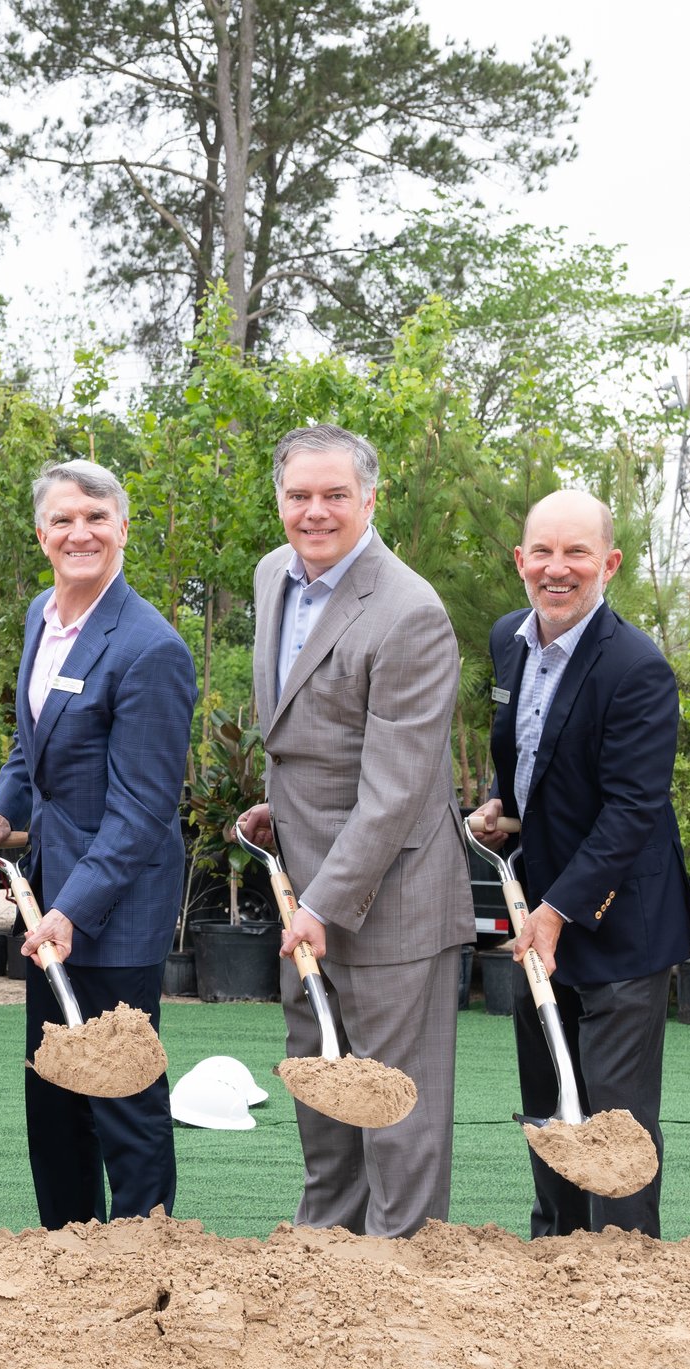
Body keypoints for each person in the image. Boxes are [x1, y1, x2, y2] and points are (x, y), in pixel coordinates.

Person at [239, 423, 470, 1239]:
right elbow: (309, 732)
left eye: (335, 495)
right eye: (299, 495)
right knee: (322, 1089)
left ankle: (397, 1276)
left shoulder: (409, 612)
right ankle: (324, 1251)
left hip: (390, 898)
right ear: (280, 499)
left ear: (370, 499)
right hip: (306, 882)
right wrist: (283, 809)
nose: (316, 512)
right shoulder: (275, 576)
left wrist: (323, 904)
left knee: (393, 1107)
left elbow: (395, 789)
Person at [0, 461, 196, 1229]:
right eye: (63, 519)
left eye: (96, 516)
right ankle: (65, 1251)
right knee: (56, 1088)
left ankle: (142, 1256)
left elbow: (142, 810)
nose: (80, 532)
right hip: (51, 894)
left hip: (113, 911)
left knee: (122, 1096)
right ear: (41, 535)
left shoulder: (149, 648)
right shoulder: (43, 616)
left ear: (122, 528)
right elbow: (34, 746)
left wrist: (74, 909)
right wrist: (5, 809)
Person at [470, 489, 690, 1238]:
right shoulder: (510, 639)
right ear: (520, 560)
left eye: (576, 553)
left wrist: (559, 908)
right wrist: (501, 803)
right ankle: (556, 1250)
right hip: (541, 907)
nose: (557, 569)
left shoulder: (636, 668)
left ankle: (625, 1266)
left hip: (618, 919)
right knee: (549, 1098)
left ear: (609, 563)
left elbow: (632, 809)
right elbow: (532, 749)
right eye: (543, 552)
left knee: (616, 1120)